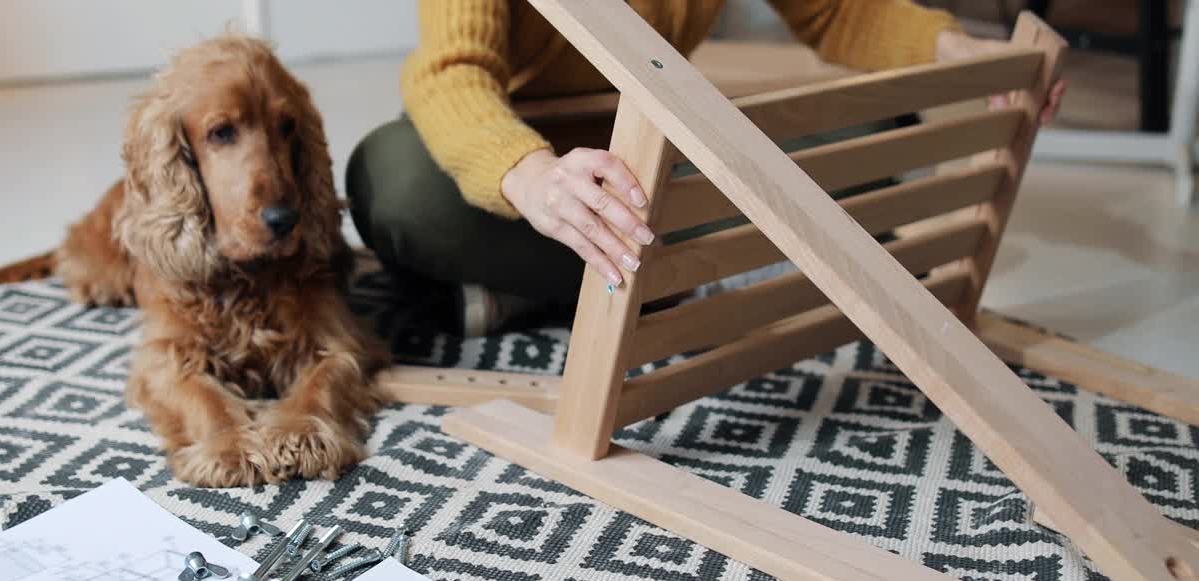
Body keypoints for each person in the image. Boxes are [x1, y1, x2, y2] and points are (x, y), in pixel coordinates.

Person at [346, 1, 1065, 336]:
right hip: (519, 150)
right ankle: (716, 270)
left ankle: (535, 293)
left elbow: (839, 12)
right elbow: (452, 73)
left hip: (642, 143)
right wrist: (532, 177)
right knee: (391, 183)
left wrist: (955, 50)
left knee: (874, 136)